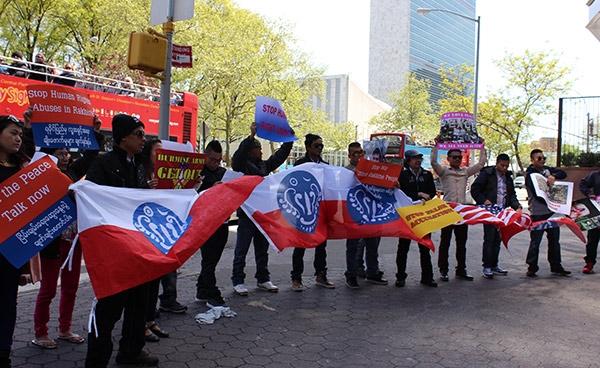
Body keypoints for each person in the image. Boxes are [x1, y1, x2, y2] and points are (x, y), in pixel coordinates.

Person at [84, 114, 158, 367]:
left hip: (137, 248)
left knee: (139, 304)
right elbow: (88, 196)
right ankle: (96, 359)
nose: (143, 139)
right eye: (139, 134)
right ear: (123, 137)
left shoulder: (137, 165)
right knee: (109, 310)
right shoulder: (103, 164)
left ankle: (131, 350)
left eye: (144, 134)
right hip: (115, 251)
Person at [230, 122, 293, 295]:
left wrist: (289, 140)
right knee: (241, 250)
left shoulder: (264, 166)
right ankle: (238, 280)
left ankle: (263, 279)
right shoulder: (242, 165)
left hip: (262, 215)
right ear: (251, 151)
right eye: (258, 148)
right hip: (247, 215)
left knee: (262, 250)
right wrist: (251, 137)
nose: (262, 152)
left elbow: (279, 157)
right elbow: (238, 157)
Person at [32, 148, 84, 349]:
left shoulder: (73, 175)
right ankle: (40, 332)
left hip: (73, 242)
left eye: (66, 153)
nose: (65, 157)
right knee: (48, 290)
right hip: (51, 244)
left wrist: (95, 133)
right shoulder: (41, 181)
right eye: (60, 154)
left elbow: (90, 157)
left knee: (71, 288)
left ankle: (65, 329)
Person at [0, 115, 32, 368]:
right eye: (13, 133)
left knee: (8, 307)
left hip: (11, 254)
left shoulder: (23, 169)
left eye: (20, 134)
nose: (18, 138)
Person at [431, 139, 486, 282]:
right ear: (448, 159)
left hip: (461, 212)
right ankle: (443, 270)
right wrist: (436, 146)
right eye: (454, 157)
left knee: (462, 243)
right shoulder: (443, 171)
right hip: (447, 211)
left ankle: (461, 270)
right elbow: (433, 163)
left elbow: (480, 164)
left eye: (459, 157)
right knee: (445, 242)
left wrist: (482, 146)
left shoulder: (466, 172)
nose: (457, 159)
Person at [290, 134, 334, 292]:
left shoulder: (325, 165)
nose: (320, 148)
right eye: (317, 145)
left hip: (320, 211)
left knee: (322, 245)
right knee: (300, 244)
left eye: (322, 146)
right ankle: (296, 278)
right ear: (308, 147)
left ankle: (321, 275)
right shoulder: (300, 164)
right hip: (303, 209)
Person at [138, 139, 171, 343]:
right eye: (157, 151)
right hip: (144, 232)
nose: (161, 154)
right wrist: (146, 188)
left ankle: (150, 320)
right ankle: (140, 324)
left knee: (155, 280)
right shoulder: (142, 170)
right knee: (144, 282)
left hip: (158, 233)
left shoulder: (165, 172)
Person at [344, 142, 388, 289]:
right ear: (349, 155)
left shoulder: (371, 170)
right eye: (354, 153)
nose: (358, 155)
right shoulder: (345, 172)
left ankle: (372, 272)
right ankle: (351, 274)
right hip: (354, 215)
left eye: (360, 152)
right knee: (353, 246)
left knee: (372, 245)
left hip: (372, 213)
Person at [470, 153, 521, 279]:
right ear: (497, 163)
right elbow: (475, 189)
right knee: (489, 239)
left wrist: (517, 206)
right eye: (502, 165)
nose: (504, 168)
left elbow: (511, 195)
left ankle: (494, 265)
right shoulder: (487, 174)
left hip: (502, 212)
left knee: (498, 239)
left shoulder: (508, 177)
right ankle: (486, 266)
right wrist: (483, 200)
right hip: (489, 212)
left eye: (506, 166)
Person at [524, 149, 570, 277]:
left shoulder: (548, 170)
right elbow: (537, 194)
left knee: (555, 240)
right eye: (539, 158)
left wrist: (553, 176)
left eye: (544, 158)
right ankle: (532, 267)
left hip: (552, 212)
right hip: (538, 212)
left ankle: (556, 266)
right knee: (535, 241)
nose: (543, 160)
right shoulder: (530, 174)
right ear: (532, 160)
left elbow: (563, 173)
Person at [396, 150, 437, 287]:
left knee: (424, 246)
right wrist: (417, 194)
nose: (418, 161)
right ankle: (400, 276)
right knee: (403, 247)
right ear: (408, 160)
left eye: (419, 158)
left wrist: (427, 196)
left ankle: (427, 277)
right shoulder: (402, 174)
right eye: (414, 159)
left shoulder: (427, 174)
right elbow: (400, 193)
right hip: (407, 215)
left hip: (423, 216)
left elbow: (432, 192)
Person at [195, 140, 230, 306]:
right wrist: (211, 189)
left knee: (213, 260)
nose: (216, 163)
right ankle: (211, 291)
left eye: (218, 160)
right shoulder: (197, 172)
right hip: (205, 223)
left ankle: (202, 289)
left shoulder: (224, 172)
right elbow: (192, 195)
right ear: (205, 157)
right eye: (212, 160)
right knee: (208, 260)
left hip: (222, 222)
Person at [580, 169, 600, 274]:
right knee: (592, 239)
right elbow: (583, 184)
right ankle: (589, 263)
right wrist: (589, 193)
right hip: (596, 212)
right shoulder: (595, 175)